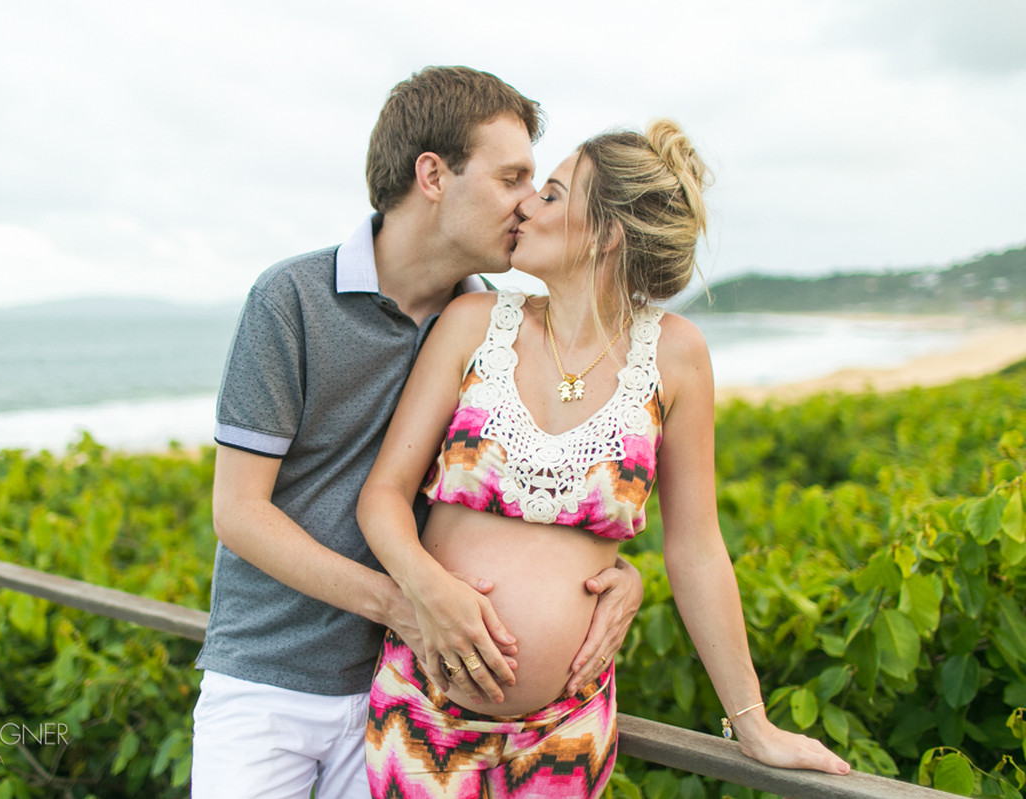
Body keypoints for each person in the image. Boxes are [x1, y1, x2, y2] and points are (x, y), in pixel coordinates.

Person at [358, 119, 853, 797]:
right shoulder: (474, 323)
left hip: (568, 733)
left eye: (553, 194)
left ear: (607, 233)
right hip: (421, 713)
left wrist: (753, 724)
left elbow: (697, 549)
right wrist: (429, 590)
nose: (526, 205)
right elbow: (383, 495)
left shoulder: (676, 355)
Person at [191, 66, 644, 799]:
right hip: (268, 680)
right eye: (511, 177)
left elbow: (526, 494)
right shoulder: (291, 299)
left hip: (411, 691)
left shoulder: (493, 327)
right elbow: (239, 513)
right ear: (432, 175)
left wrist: (616, 577)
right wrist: (406, 603)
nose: (529, 201)